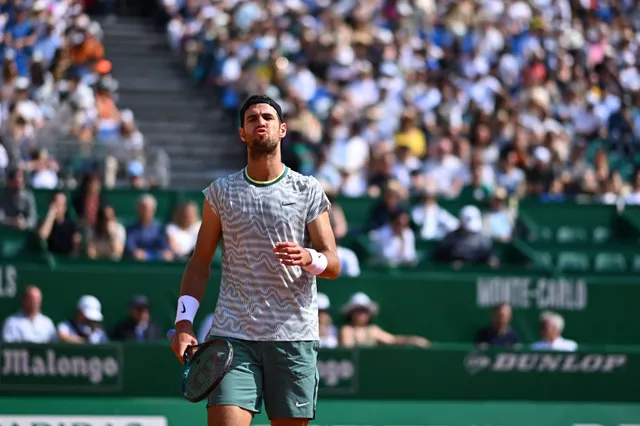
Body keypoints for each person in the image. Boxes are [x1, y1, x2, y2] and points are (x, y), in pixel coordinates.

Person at [170, 95, 340, 426]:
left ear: (283, 129)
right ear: (242, 133)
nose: (259, 122)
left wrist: (309, 257)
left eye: (267, 117)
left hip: (293, 336)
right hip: (233, 338)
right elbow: (199, 263)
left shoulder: (307, 190)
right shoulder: (220, 193)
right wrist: (183, 323)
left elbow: (333, 264)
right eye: (251, 119)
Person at [339, 292, 430, 349]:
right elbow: (348, 350)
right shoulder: (346, 330)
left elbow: (392, 340)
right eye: (359, 311)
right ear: (351, 313)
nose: (362, 315)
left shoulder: (373, 330)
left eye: (365, 311)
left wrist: (413, 340)